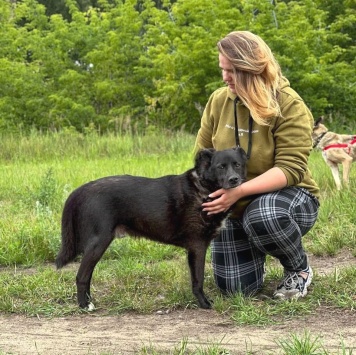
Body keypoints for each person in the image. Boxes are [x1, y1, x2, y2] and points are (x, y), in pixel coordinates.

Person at [194, 31, 320, 300]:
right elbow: (202, 158)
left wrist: (239, 192)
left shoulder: (288, 104)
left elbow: (291, 168)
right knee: (236, 289)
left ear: (252, 71)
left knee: (263, 216)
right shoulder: (219, 100)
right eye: (222, 69)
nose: (224, 77)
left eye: (231, 71)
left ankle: (298, 269)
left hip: (290, 197)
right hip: (234, 205)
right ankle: (255, 247)